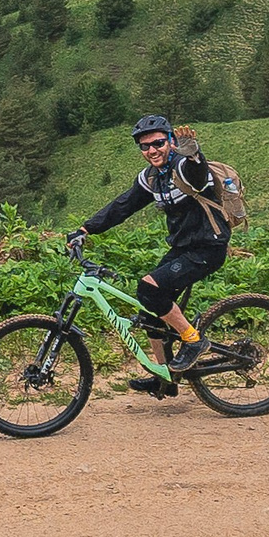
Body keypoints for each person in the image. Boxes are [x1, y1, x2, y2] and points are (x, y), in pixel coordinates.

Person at [67, 115, 233, 396]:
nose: (152, 150)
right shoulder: (152, 178)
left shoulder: (183, 166)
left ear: (170, 141)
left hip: (208, 247)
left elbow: (198, 177)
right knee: (149, 310)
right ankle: (165, 376)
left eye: (158, 143)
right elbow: (123, 206)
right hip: (182, 248)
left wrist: (194, 156)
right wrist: (85, 228)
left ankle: (193, 340)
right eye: (145, 146)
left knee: (148, 287)